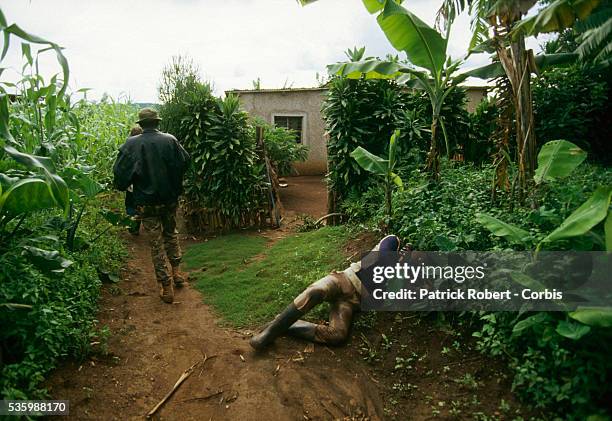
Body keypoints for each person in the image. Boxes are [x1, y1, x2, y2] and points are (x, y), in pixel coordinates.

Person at [249, 235, 404, 350]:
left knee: (337, 335)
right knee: (316, 292)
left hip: (351, 303)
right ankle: (269, 334)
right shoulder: (391, 241)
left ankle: (284, 324)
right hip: (344, 280)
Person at [113, 108, 190, 304]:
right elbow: (185, 162)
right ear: (157, 122)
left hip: (146, 204)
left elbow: (120, 174)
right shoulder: (170, 140)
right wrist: (174, 183)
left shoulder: (131, 144)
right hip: (169, 200)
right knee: (171, 235)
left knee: (156, 244)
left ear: (141, 124)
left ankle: (166, 286)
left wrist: (127, 184)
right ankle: (177, 273)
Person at [124, 125, 143, 234]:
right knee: (138, 206)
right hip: (143, 184)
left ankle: (132, 226)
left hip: (131, 184)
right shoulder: (145, 146)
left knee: (130, 205)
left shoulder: (128, 146)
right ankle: (136, 226)